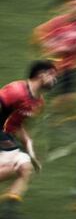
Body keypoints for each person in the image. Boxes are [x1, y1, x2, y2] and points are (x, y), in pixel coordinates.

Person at [0, 60, 57, 219]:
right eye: (52, 75)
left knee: (25, 167)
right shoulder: (16, 90)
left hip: (6, 135)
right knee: (14, 163)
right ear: (41, 75)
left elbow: (17, 125)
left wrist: (31, 150)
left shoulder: (38, 103)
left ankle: (9, 212)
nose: (55, 79)